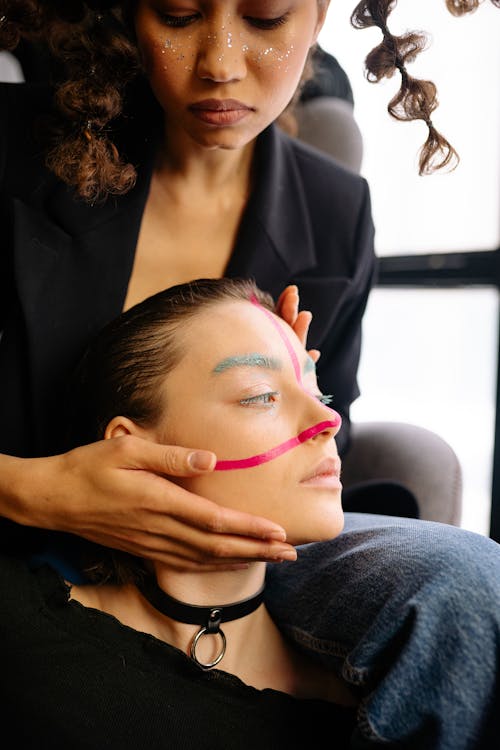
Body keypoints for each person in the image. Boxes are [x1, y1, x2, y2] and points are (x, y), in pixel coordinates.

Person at [0, 2, 499, 747]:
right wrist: (37, 492)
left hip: (245, 548)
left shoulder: (337, 210)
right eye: (178, 15)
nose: (221, 62)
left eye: (265, 17)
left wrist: (286, 388)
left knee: (465, 579)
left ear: (322, 12)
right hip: (23, 524)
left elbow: (336, 438)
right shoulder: (14, 149)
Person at [2, 275, 500, 750]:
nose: (328, 418)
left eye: (318, 392)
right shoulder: (25, 627)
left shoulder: (383, 711)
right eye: (260, 395)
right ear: (130, 452)